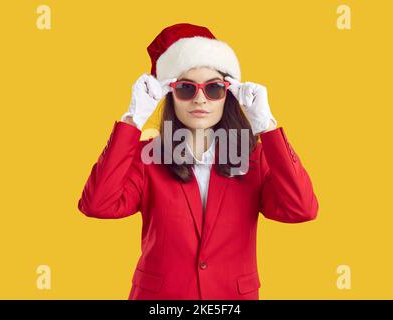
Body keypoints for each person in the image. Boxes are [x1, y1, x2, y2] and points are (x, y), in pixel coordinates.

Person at [78, 23, 319, 300]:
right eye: (185, 88)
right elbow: (97, 204)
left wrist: (266, 125)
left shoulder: (256, 157)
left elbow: (301, 209)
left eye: (214, 88)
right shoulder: (148, 157)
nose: (200, 99)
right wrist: (133, 119)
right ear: (170, 94)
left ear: (228, 93)